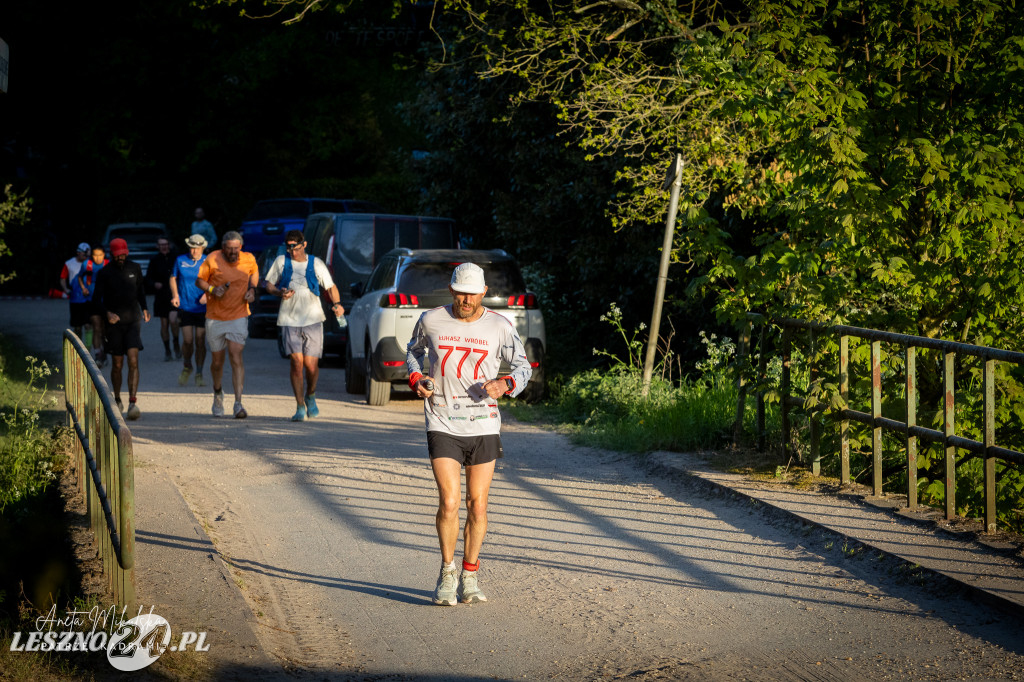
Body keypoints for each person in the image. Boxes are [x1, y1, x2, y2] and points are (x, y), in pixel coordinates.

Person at [406, 262, 533, 606]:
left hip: (484, 424)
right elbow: (413, 353)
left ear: (483, 293)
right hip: (442, 420)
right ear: (452, 290)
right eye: (460, 292)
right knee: (449, 502)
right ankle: (447, 573)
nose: (466, 299)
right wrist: (417, 380)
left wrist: (506, 384)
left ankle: (470, 574)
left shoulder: (500, 326)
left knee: (478, 506)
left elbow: (524, 367)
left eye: (472, 294)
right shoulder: (430, 320)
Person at [264, 230, 345, 421]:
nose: (292, 251)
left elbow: (330, 286)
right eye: (289, 246)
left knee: (311, 365)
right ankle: (300, 406)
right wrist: (279, 293)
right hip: (289, 319)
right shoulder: (281, 262)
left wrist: (337, 305)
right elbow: (268, 284)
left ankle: (311, 395)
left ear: (304, 244)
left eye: (295, 247)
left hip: (313, 318)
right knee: (296, 363)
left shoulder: (315, 263)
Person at [195, 230, 259, 419]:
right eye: (229, 249)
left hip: (238, 315)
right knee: (217, 362)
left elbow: (254, 274)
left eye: (236, 249)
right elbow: (199, 281)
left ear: (241, 247)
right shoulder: (212, 259)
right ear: (223, 248)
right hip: (215, 317)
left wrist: (252, 290)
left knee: (236, 355)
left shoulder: (248, 259)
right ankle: (217, 393)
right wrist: (213, 289)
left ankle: (238, 403)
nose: (233, 252)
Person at [92, 238, 151, 420]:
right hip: (114, 324)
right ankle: (117, 398)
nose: (121, 257)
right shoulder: (104, 273)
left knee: (133, 360)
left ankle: (133, 401)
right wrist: (107, 313)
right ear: (112, 254)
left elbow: (140, 290)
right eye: (118, 255)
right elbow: (95, 301)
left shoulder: (134, 268)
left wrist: (145, 307)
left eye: (123, 254)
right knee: (117, 364)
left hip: (133, 320)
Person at [169, 234, 209, 387]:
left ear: (202, 248)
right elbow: (173, 277)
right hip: (185, 305)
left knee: (200, 340)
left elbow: (215, 280)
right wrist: (175, 295)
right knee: (187, 340)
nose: (194, 251)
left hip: (202, 307)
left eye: (197, 248)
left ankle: (199, 371)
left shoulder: (208, 261)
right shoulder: (180, 260)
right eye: (191, 248)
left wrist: (207, 293)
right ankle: (187, 365)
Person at [146, 236, 180, 361]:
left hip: (174, 295)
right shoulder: (154, 260)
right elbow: (148, 278)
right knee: (164, 324)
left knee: (173, 320)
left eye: (166, 244)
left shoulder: (175, 258)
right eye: (161, 245)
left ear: (169, 245)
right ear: (158, 246)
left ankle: (176, 343)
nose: (164, 247)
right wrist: (154, 284)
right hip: (161, 296)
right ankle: (167, 350)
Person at [78, 246, 110, 367]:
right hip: (92, 300)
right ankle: (98, 355)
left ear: (104, 255)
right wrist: (83, 288)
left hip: (106, 301)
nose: (98, 258)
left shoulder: (108, 264)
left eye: (100, 255)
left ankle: (105, 352)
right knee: (96, 327)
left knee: (104, 329)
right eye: (95, 255)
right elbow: (80, 276)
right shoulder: (87, 264)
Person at [60, 242, 91, 338]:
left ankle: (87, 350)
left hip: (88, 298)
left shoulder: (90, 263)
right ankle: (79, 348)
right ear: (78, 252)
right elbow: (62, 278)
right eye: (84, 254)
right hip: (75, 299)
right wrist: (65, 289)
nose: (86, 256)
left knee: (88, 325)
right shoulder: (69, 264)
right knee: (77, 327)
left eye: (88, 254)